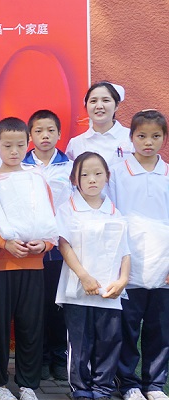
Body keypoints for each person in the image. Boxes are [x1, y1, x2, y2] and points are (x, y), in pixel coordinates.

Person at [0, 117, 55, 400]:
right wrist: (3, 243)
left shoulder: (37, 179)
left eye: (20, 145)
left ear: (28, 144)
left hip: (34, 266)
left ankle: (27, 384)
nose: (14, 151)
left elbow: (50, 220)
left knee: (30, 326)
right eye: (7, 145)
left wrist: (45, 244)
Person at [55, 151, 130, 400]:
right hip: (77, 289)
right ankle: (81, 388)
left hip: (110, 290)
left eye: (98, 173)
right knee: (80, 342)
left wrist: (123, 280)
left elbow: (125, 250)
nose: (92, 179)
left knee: (109, 340)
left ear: (107, 176)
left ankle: (103, 387)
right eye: (85, 174)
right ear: (74, 179)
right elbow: (64, 245)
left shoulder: (114, 212)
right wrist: (84, 276)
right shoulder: (67, 209)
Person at [108, 110, 169, 400]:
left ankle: (154, 384)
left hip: (163, 263)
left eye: (156, 136)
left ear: (164, 139)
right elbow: (111, 216)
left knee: (160, 328)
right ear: (130, 137)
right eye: (142, 136)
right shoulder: (118, 172)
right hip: (129, 262)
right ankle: (127, 382)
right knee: (127, 327)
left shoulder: (167, 174)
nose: (148, 142)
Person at [22, 110, 73, 381]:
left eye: (51, 130)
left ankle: (58, 357)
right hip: (31, 247)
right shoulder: (21, 166)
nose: (45, 136)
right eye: (39, 131)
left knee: (58, 305)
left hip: (61, 248)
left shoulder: (70, 167)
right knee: (35, 306)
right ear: (30, 135)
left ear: (59, 134)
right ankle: (39, 358)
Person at [66, 82, 133, 166]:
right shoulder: (76, 143)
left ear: (116, 105)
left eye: (106, 100)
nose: (99, 106)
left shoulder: (131, 138)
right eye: (93, 101)